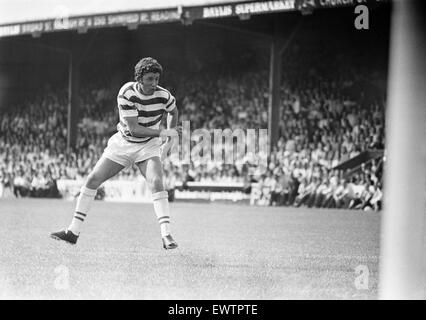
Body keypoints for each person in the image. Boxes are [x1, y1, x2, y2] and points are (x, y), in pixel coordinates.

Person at [51, 57, 181, 249]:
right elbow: (135, 129)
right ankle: (73, 232)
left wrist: (170, 138)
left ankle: (166, 235)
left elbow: (173, 111)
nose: (154, 83)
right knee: (93, 180)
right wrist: (164, 132)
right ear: (139, 79)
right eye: (149, 79)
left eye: (156, 79)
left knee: (156, 182)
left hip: (148, 145)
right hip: (124, 143)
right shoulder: (126, 92)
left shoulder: (164, 95)